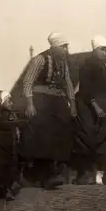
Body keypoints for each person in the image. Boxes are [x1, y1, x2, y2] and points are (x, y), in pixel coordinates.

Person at [18, 32, 77, 189]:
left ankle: (51, 173)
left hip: (57, 102)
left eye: (66, 47)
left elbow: (68, 83)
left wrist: (72, 104)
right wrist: (30, 104)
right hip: (41, 101)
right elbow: (28, 81)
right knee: (43, 137)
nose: (66, 50)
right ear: (55, 46)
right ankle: (38, 175)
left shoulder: (63, 63)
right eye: (63, 47)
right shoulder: (40, 59)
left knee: (60, 134)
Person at [72, 36, 106, 186]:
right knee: (86, 138)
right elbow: (86, 89)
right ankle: (84, 174)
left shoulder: (102, 67)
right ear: (95, 50)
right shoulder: (87, 66)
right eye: (102, 49)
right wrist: (96, 106)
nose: (105, 52)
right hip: (87, 105)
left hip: (101, 105)